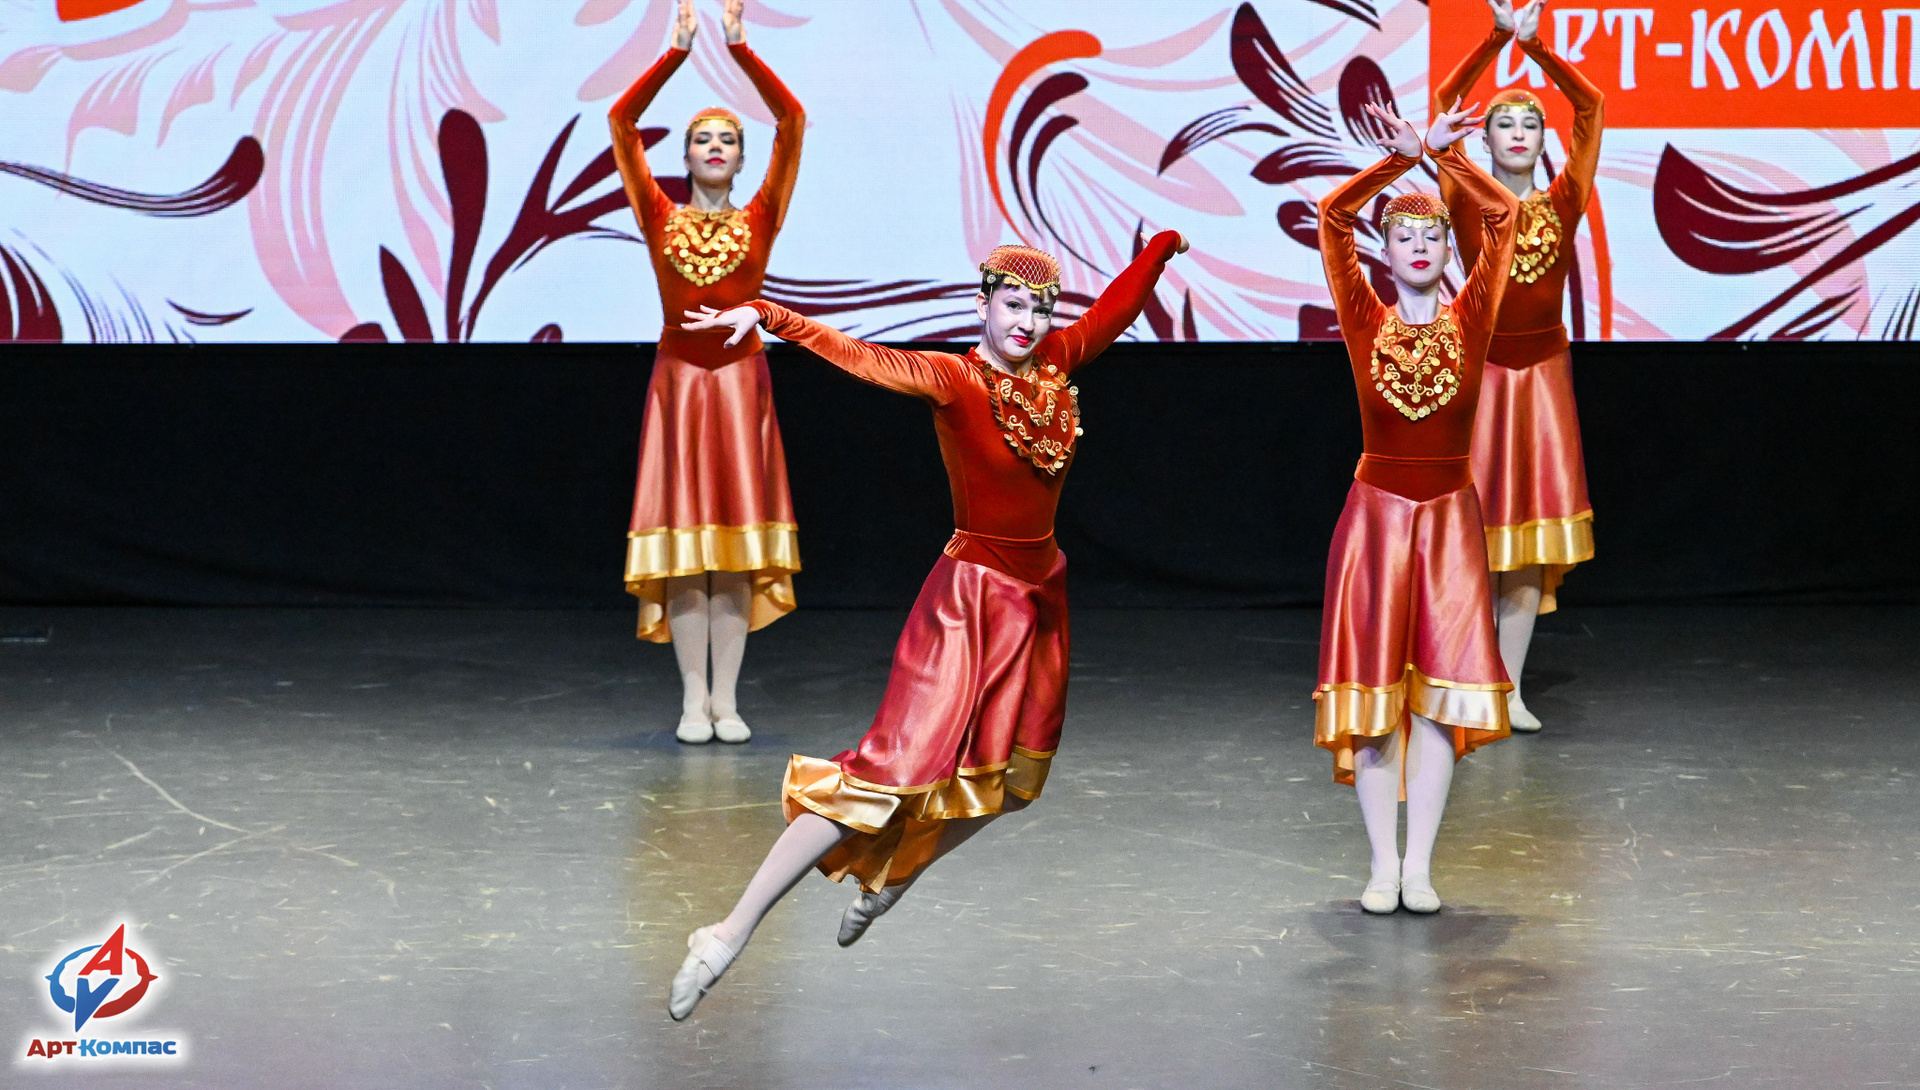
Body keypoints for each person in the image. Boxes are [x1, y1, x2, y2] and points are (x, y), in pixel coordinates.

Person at [664, 230, 1187, 1019]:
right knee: (886, 773)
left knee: (1010, 781)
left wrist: (1162, 251)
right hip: (969, 603)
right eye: (1013, 305)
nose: (1027, 323)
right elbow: (863, 356)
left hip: (1039, 600)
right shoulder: (954, 379)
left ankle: (896, 877)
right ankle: (728, 932)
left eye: (1040, 310)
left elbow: (1114, 309)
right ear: (983, 305)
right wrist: (772, 316)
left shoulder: (1055, 366)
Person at [1314, 99, 1519, 914]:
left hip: (1451, 524)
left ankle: (1420, 865)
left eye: (1434, 234)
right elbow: (1333, 217)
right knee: (1375, 702)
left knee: (1437, 701)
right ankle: (1381, 864)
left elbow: (1503, 218)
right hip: (1376, 523)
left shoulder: (1474, 315)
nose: (1423, 245)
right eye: (1405, 236)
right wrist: (1399, 162)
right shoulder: (1365, 319)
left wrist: (1447, 158)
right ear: (1388, 252)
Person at [609, 0, 805, 745]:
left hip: (741, 390)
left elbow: (792, 121)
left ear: (742, 160)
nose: (715, 146)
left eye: (727, 139)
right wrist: (676, 55)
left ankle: (727, 698)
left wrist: (742, 49)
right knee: (688, 553)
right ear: (685, 157)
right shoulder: (658, 215)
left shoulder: (761, 217)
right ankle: (692, 698)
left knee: (735, 555)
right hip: (682, 392)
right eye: (702, 138)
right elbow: (623, 123)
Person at [1434, 0, 1603, 732]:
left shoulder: (1566, 198)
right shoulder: (1467, 194)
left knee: (1529, 546)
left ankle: (1508, 689)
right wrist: (1494, 39)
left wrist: (1538, 50)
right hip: (1484, 380)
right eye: (1503, 123)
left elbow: (1591, 108)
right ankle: (1463, 679)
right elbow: (1445, 101)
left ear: (1541, 140)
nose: (1517, 133)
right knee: (1473, 538)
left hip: (1542, 386)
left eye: (1529, 124)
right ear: (1485, 138)